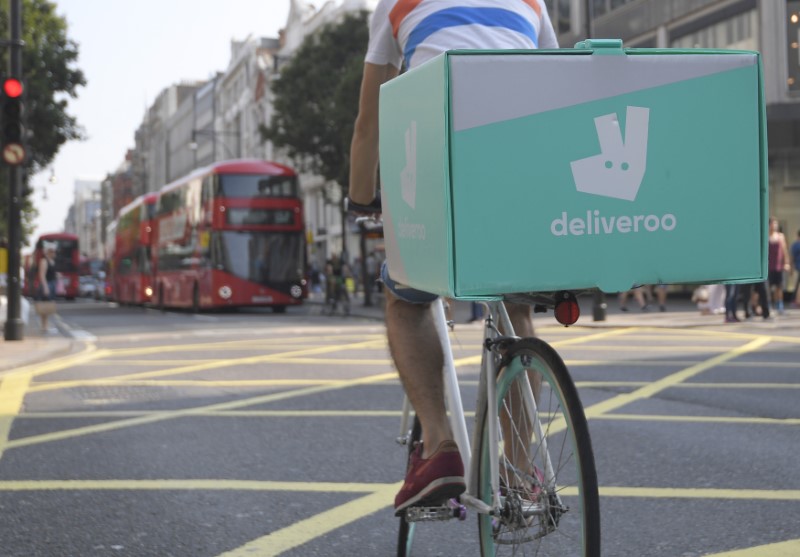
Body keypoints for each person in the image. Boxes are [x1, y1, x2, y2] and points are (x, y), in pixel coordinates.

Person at [348, 0, 558, 517]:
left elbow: (369, 120)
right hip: (523, 166)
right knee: (517, 304)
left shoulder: (397, 5)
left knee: (407, 298)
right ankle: (519, 467)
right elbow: (557, 79)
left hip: (441, 166)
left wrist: (359, 199)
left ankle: (439, 446)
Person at [767, 217, 790, 315]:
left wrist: (786, 263)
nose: (774, 225)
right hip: (768, 266)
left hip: (778, 266)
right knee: (768, 288)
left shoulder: (781, 236)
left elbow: (785, 251)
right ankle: (768, 305)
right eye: (773, 223)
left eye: (776, 223)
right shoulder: (766, 236)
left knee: (779, 287)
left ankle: (779, 305)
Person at [36, 243, 58, 332]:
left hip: (52, 284)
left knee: (48, 306)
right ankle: (44, 326)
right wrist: (45, 287)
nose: (53, 253)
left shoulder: (52, 261)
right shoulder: (44, 261)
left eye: (54, 251)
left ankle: (46, 326)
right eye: (51, 251)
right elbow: (42, 275)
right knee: (44, 306)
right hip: (47, 285)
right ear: (47, 252)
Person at [790, 229, 800, 308]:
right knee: (798, 285)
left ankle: (795, 300)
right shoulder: (796, 245)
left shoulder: (795, 245)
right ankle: (795, 300)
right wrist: (791, 268)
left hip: (797, 266)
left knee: (797, 284)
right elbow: (792, 257)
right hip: (798, 266)